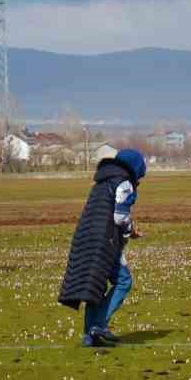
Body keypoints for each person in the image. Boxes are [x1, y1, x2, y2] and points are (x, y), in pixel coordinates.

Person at [58, 148, 147, 347]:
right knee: (124, 281)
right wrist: (131, 230)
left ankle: (90, 337)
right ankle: (99, 325)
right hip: (104, 242)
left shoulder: (101, 182)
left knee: (95, 286)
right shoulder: (124, 183)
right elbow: (120, 217)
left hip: (85, 239)